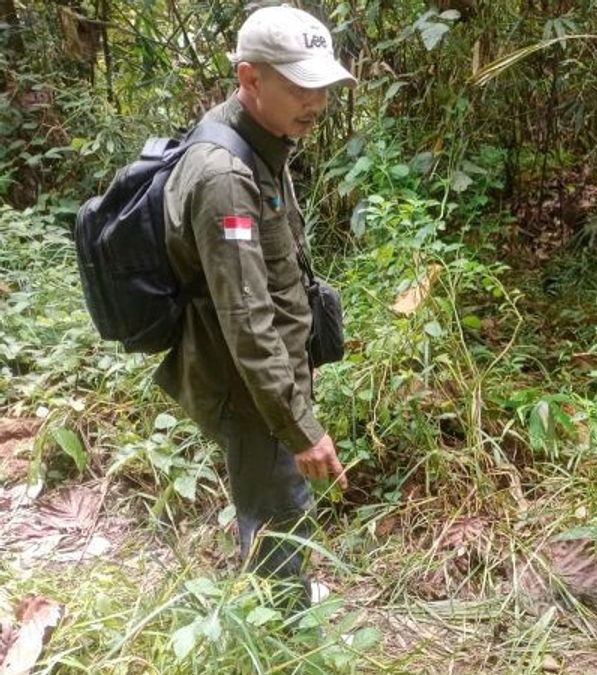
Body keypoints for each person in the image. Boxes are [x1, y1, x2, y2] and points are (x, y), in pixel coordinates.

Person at [153, 5, 354, 596]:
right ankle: (283, 628)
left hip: (264, 379)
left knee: (270, 497)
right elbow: (246, 321)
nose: (315, 101)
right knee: (280, 504)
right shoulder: (226, 177)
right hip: (252, 387)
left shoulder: (260, 136)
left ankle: (274, 595)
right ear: (250, 79)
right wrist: (299, 426)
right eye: (299, 85)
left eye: (321, 85)